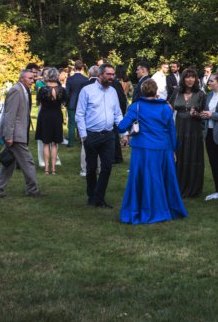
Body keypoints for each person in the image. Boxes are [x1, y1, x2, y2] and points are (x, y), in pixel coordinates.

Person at [116, 79, 187, 224]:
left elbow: (122, 127)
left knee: (144, 179)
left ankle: (143, 209)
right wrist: (173, 148)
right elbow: (172, 130)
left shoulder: (136, 107)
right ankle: (165, 209)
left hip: (143, 149)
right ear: (156, 91)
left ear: (142, 91)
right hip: (163, 148)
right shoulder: (166, 108)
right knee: (162, 179)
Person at [76, 63, 123, 208]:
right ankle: (92, 196)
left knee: (107, 167)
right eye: (108, 74)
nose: (111, 77)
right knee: (91, 168)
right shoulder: (87, 90)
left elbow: (118, 114)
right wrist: (84, 135)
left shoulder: (113, 92)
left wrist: (124, 132)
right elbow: (79, 114)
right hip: (91, 135)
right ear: (100, 74)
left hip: (109, 135)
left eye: (113, 74)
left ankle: (99, 198)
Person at [0, 70, 43, 198]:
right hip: (15, 135)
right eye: (30, 78)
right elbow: (10, 115)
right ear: (22, 79)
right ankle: (32, 189)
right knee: (28, 161)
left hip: (17, 133)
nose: (33, 81)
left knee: (9, 163)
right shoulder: (16, 90)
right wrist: (9, 136)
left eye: (33, 79)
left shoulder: (23, 90)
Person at [173, 67, 206, 198]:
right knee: (179, 157)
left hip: (194, 131)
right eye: (187, 77)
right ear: (183, 79)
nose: (190, 79)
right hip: (179, 130)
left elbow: (205, 115)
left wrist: (197, 114)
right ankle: (178, 186)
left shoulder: (201, 94)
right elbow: (168, 107)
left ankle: (193, 188)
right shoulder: (176, 92)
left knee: (193, 157)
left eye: (193, 77)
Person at [200, 73, 218, 201]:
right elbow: (208, 112)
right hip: (209, 132)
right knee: (213, 162)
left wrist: (212, 115)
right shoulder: (209, 95)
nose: (209, 83)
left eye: (211, 81)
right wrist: (203, 115)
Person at [36, 68, 67, 175]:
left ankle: (46, 169)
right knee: (54, 143)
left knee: (45, 143)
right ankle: (53, 169)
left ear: (47, 76)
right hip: (57, 116)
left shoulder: (42, 89)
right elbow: (64, 103)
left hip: (45, 116)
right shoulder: (62, 90)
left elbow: (38, 103)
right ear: (57, 76)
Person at [65, 61, 89, 148]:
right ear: (82, 68)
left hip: (72, 103)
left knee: (71, 123)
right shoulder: (86, 79)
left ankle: (71, 142)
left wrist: (66, 102)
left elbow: (67, 93)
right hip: (83, 104)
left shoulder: (70, 79)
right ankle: (82, 140)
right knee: (82, 122)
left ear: (74, 67)